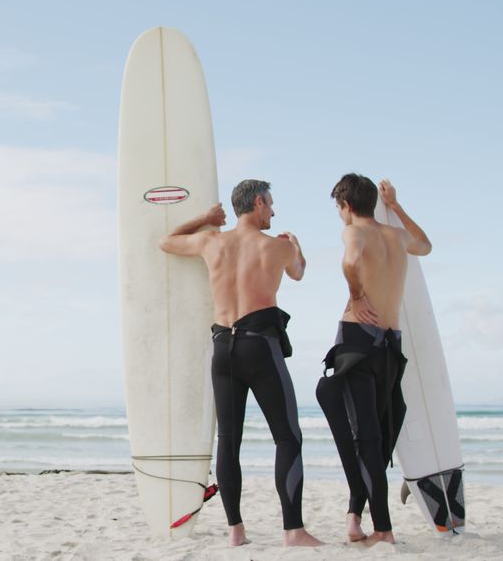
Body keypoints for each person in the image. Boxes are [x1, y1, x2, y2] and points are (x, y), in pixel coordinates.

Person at [159, 179, 323, 547]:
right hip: (260, 347)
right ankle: (293, 531)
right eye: (271, 205)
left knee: (229, 440)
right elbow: (298, 271)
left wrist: (204, 218)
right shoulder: (277, 247)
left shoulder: (210, 241)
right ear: (260, 202)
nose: (274, 212)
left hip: (222, 348)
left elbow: (166, 241)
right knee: (288, 437)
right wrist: (297, 246)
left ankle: (236, 531)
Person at [316, 174, 432, 546]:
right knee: (376, 435)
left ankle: (382, 530)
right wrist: (395, 206)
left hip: (356, 340)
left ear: (347, 206)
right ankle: (355, 516)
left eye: (339, 208)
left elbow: (350, 262)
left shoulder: (354, 232)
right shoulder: (396, 235)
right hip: (389, 345)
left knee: (364, 436)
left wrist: (356, 294)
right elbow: (425, 246)